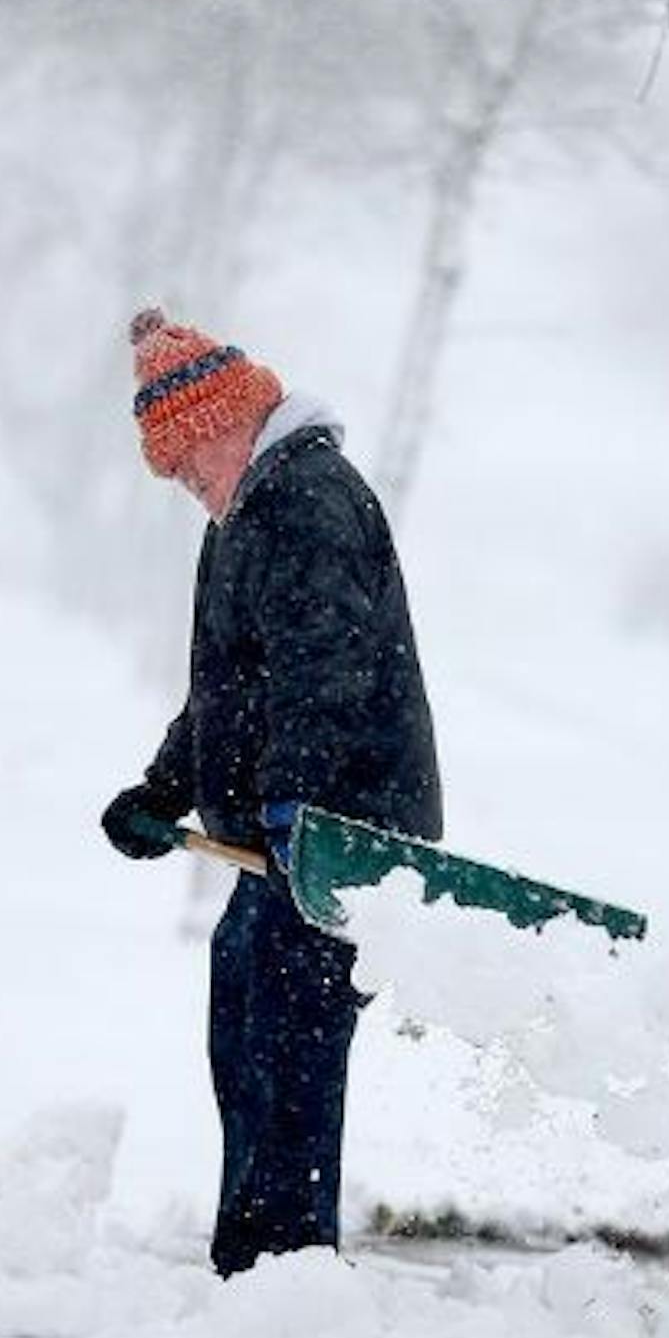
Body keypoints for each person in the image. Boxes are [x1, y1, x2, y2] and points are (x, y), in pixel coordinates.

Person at [98, 306, 443, 1278]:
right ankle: (250, 1256)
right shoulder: (244, 513)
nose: (186, 488)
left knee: (290, 1048)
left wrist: (299, 808)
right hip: (278, 843)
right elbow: (228, 687)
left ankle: (285, 1267)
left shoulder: (307, 505)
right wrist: (165, 790)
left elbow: (320, 673)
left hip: (342, 838)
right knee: (243, 1025)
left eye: (186, 467)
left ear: (221, 426)